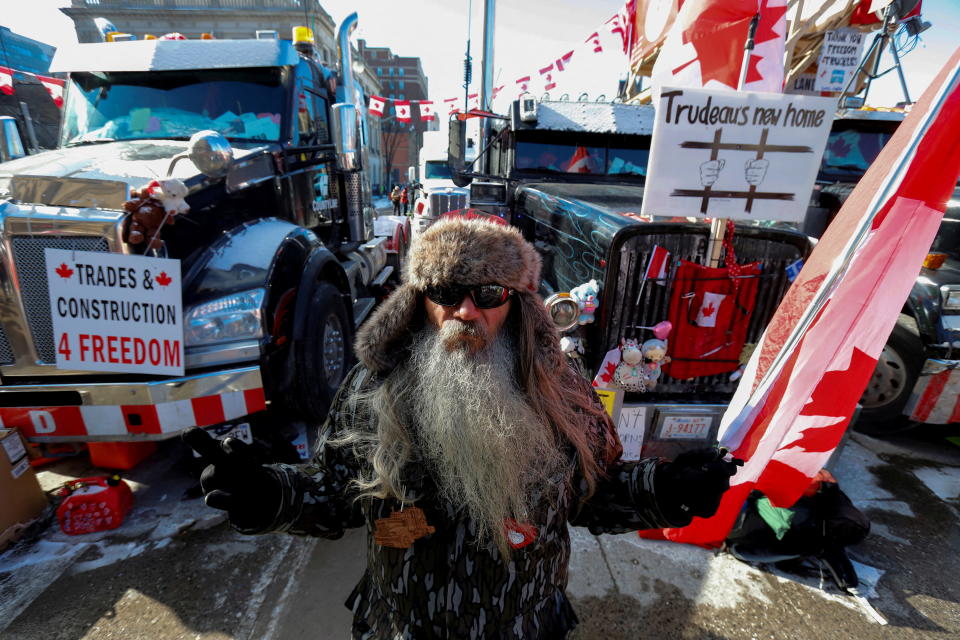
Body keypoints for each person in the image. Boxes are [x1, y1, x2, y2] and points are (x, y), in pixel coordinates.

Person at [186, 217, 740, 639]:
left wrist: (664, 489)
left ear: (516, 303)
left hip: (523, 625)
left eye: (489, 294)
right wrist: (268, 494)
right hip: (404, 623)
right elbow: (334, 495)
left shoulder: (562, 388)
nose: (467, 312)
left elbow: (595, 493)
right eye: (447, 293)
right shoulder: (371, 389)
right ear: (420, 302)